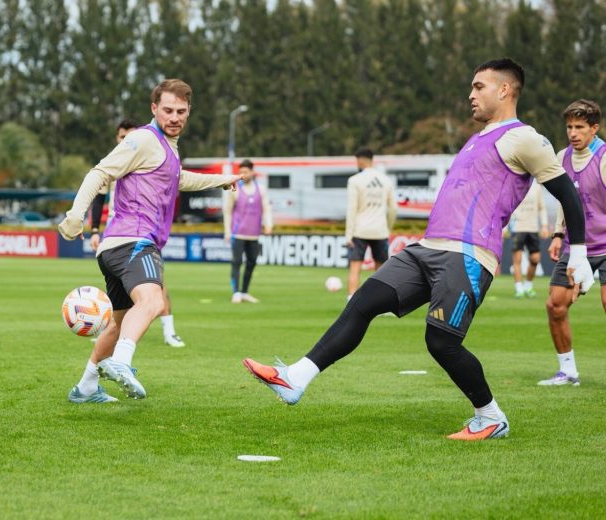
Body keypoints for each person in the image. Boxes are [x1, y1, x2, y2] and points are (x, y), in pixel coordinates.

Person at [242, 58, 594, 441]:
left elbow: (568, 196)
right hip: (426, 248)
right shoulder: (479, 136)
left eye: (479, 87)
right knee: (363, 302)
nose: (470, 94)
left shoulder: (525, 138)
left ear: (505, 90)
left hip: (469, 255)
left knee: (441, 341)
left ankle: (491, 417)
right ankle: (296, 378)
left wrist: (578, 253)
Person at [59, 79, 243, 403]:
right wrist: (77, 216)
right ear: (154, 109)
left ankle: (86, 386)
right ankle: (122, 363)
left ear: (188, 112)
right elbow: (99, 173)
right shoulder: (143, 138)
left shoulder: (167, 146)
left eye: (181, 111)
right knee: (154, 302)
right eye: (168, 110)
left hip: (118, 245)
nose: (175, 117)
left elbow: (178, 178)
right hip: (134, 240)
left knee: (118, 325)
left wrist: (221, 179)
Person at [90, 119, 185, 347]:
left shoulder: (147, 158)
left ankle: (169, 331)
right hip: (116, 233)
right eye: (122, 136)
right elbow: (99, 196)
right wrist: (94, 229)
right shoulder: (113, 162)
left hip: (143, 231)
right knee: (119, 291)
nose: (126, 140)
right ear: (117, 138)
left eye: (129, 136)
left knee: (157, 284)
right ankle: (113, 335)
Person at [540, 99, 606, 386]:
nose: (573, 133)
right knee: (555, 305)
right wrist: (557, 234)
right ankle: (568, 372)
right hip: (575, 245)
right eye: (569, 126)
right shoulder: (561, 157)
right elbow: (566, 202)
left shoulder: (604, 158)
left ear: (594, 128)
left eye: (580, 127)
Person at [344, 148, 396, 299]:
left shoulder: (354, 180)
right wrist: (388, 227)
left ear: (360, 160)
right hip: (380, 230)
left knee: (355, 267)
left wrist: (348, 235)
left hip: (360, 230)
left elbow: (351, 209)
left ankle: (351, 300)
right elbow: (393, 208)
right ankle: (381, 302)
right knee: (381, 270)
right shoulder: (386, 180)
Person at [224, 159, 273, 303]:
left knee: (251, 263)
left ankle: (245, 291)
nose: (243, 175)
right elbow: (227, 211)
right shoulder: (234, 189)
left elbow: (266, 209)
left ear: (252, 172)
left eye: (245, 172)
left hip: (254, 234)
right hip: (238, 233)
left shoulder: (261, 189)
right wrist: (227, 232)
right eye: (241, 172)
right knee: (237, 262)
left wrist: (268, 225)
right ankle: (236, 292)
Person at [506, 180, 548, 298]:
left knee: (535, 259)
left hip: (533, 228)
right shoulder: (514, 185)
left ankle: (528, 286)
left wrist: (544, 225)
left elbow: (542, 207)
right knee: (517, 260)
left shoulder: (537, 187)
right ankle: (519, 288)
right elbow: (507, 206)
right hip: (517, 228)